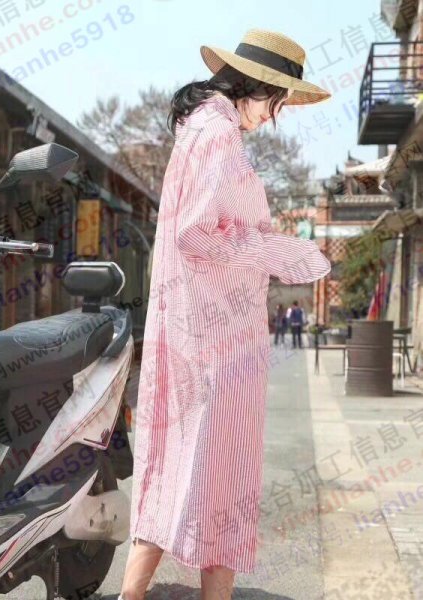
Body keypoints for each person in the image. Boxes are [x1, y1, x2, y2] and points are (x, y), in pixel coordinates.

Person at [119, 28, 331, 600]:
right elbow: (198, 234)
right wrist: (288, 253)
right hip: (218, 337)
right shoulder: (218, 135)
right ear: (260, 88)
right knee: (223, 474)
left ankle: (133, 595)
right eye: (278, 102)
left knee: (177, 467)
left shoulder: (202, 128)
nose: (276, 116)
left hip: (195, 328)